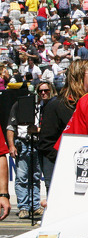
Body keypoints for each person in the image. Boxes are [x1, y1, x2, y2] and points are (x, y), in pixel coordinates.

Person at [37, 60, 88, 192]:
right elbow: (46, 144)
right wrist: (70, 160)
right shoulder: (57, 105)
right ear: (80, 75)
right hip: (64, 176)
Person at [7, 80, 52, 218]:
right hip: (23, 142)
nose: (43, 93)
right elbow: (10, 127)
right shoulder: (20, 104)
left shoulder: (46, 106)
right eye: (40, 91)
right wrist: (11, 145)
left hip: (38, 144)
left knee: (36, 177)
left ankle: (34, 205)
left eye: (46, 91)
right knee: (22, 177)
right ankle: (24, 207)